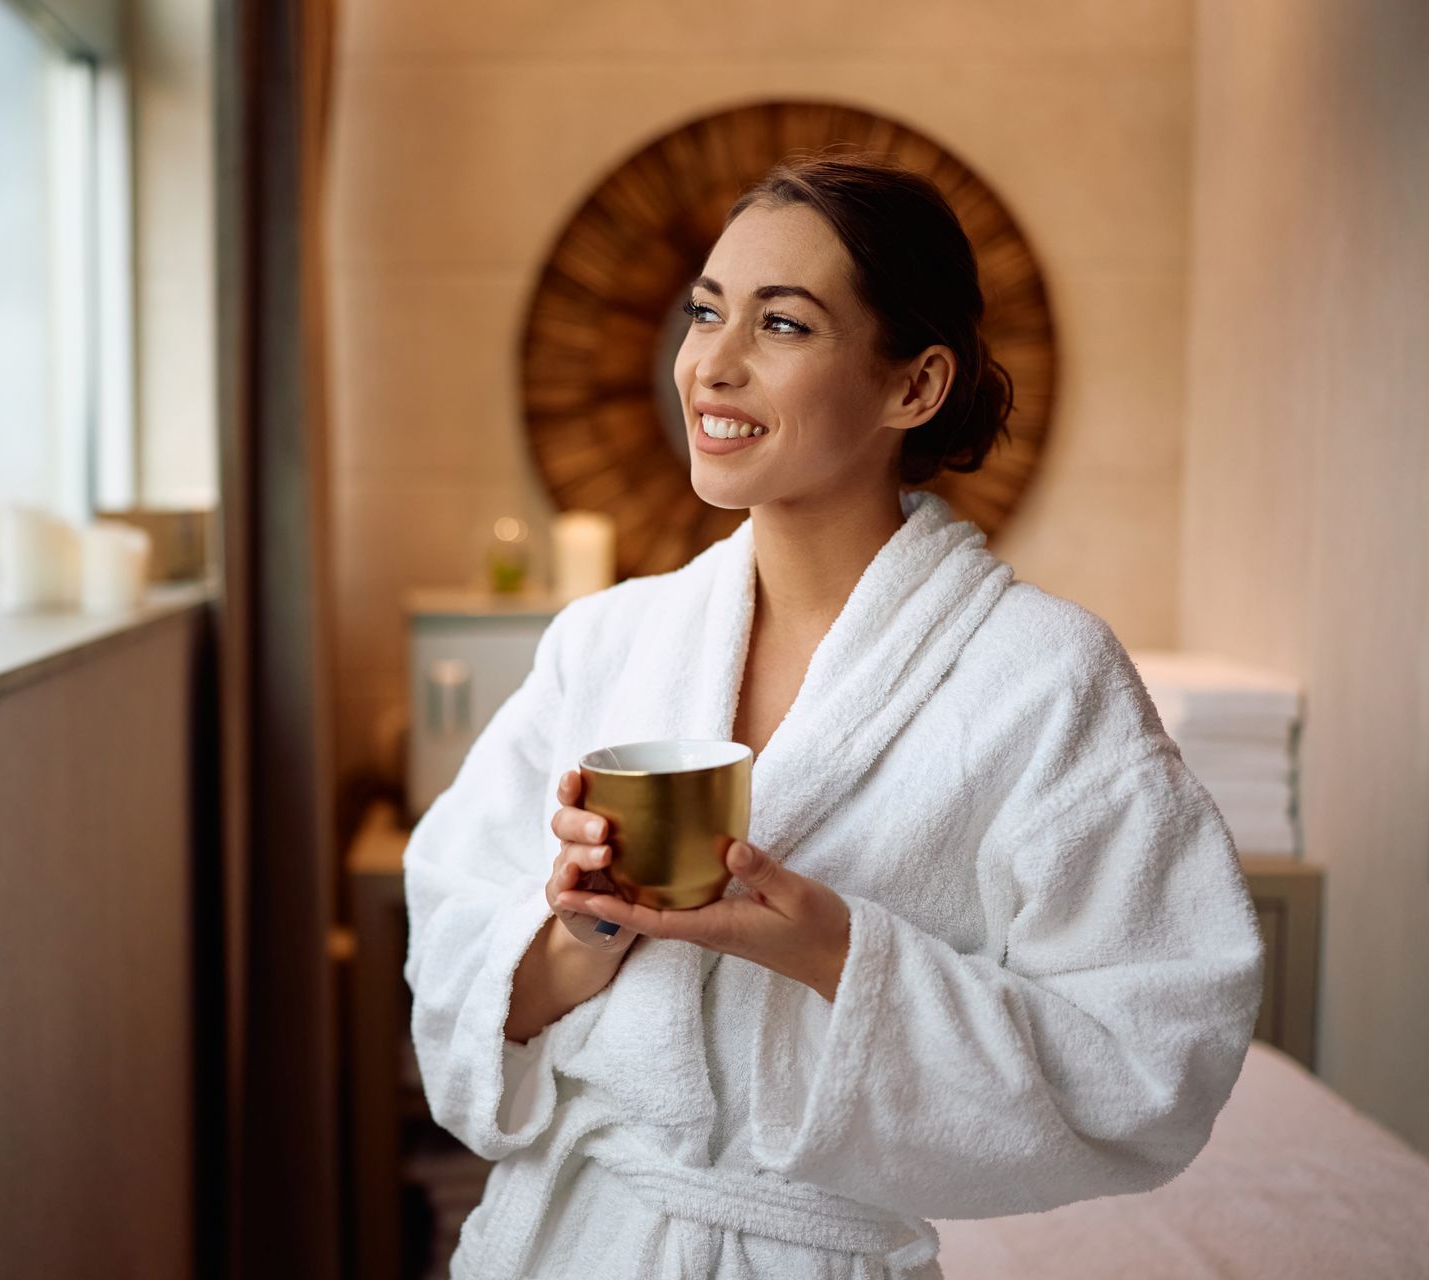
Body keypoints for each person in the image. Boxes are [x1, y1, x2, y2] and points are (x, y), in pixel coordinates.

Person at [401, 152, 1265, 1279]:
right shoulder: (606, 641)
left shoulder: (1042, 677)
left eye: (785, 325)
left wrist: (840, 954)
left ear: (914, 386)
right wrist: (578, 933)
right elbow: (455, 950)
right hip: (569, 1240)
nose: (711, 365)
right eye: (705, 312)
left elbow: (1153, 1054)